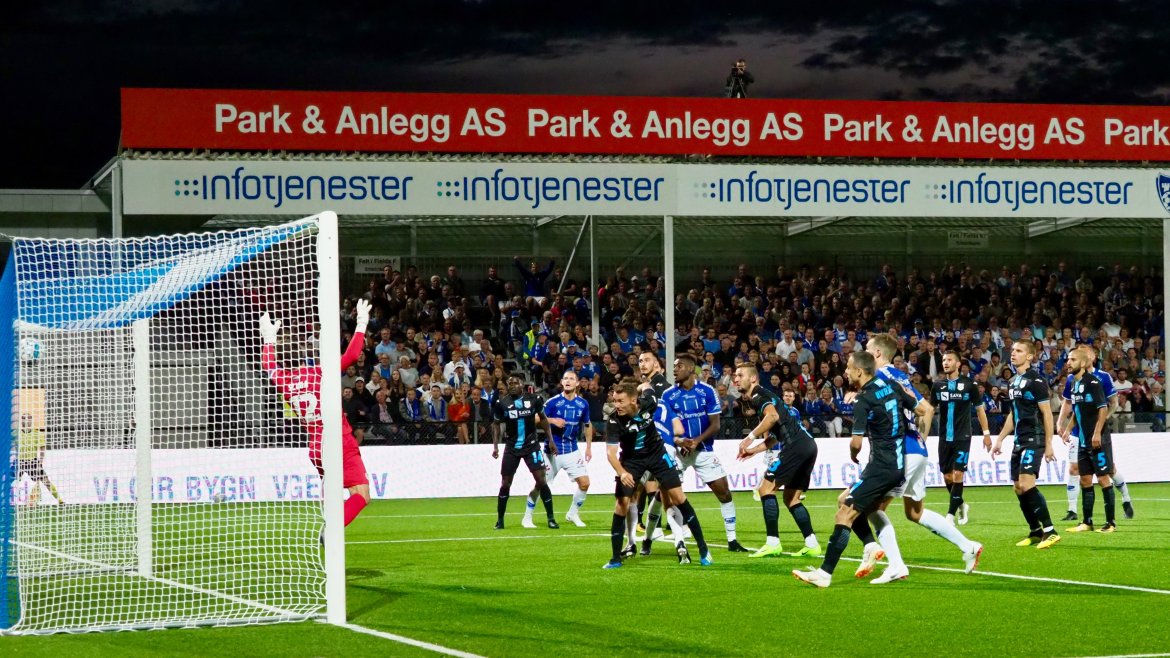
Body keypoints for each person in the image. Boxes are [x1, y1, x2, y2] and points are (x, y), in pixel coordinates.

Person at [792, 351, 925, 588]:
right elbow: (921, 410)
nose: (845, 372)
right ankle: (871, 545)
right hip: (896, 464)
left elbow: (856, 443)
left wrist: (853, 455)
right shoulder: (893, 386)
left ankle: (824, 574)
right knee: (844, 500)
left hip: (880, 467)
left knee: (844, 514)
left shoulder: (864, 399)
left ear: (860, 372)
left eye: (849, 368)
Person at [863, 334, 981, 582]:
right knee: (915, 513)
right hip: (917, 449)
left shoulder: (880, 376)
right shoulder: (900, 375)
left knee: (872, 506)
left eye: (867, 349)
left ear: (877, 353)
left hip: (901, 451)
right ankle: (968, 545)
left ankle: (896, 565)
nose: (864, 353)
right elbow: (926, 409)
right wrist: (921, 440)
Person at [259, 299, 371, 528]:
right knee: (361, 493)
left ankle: (330, 533)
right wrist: (361, 323)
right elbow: (351, 356)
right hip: (339, 441)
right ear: (302, 355)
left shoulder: (283, 381)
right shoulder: (319, 373)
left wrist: (268, 339)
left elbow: (268, 365)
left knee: (332, 493)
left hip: (316, 447)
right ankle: (330, 532)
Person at [602, 381, 711, 569]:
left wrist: (642, 384)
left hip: (657, 455)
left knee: (679, 498)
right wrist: (622, 472)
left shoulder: (650, 402)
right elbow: (610, 453)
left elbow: (648, 386)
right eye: (615, 401)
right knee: (621, 503)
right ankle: (615, 558)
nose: (616, 405)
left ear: (634, 400)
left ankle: (703, 550)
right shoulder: (613, 421)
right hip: (631, 461)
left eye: (620, 401)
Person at [660, 353, 747, 553]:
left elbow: (716, 424)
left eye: (679, 366)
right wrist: (679, 441)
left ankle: (732, 540)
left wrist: (696, 442)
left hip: (703, 450)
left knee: (724, 493)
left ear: (691, 369)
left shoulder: (707, 391)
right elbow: (664, 427)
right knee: (669, 495)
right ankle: (676, 538)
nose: (674, 370)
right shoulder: (668, 395)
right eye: (674, 366)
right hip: (678, 452)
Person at [734, 366, 821, 558]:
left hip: (795, 446)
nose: (736, 379)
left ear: (753, 378)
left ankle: (772, 543)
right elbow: (774, 436)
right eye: (735, 376)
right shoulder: (766, 396)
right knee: (791, 498)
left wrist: (749, 438)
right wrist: (753, 451)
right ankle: (812, 544)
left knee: (765, 489)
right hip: (808, 445)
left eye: (740, 375)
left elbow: (772, 417)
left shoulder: (758, 395)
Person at [992, 341, 1061, 549]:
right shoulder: (1013, 382)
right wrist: (1000, 438)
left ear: (1030, 356)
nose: (1013, 354)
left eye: (1019, 351)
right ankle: (1035, 531)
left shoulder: (1036, 381)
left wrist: (1049, 443)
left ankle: (1051, 531)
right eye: (1013, 350)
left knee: (1027, 484)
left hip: (1035, 438)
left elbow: (1047, 414)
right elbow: (1013, 413)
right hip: (1019, 440)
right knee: (1018, 488)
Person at [1056, 343, 1135, 521]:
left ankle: (1125, 498)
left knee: (1108, 470)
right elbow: (1070, 403)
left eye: (1079, 354)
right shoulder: (1072, 379)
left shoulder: (1102, 377)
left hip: (1097, 431)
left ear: (1090, 357)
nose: (1073, 360)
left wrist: (1100, 422)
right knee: (1074, 468)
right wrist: (1063, 424)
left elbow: (1112, 403)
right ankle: (1072, 510)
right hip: (1079, 431)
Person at [522, 371, 593, 528]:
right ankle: (527, 517)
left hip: (572, 450)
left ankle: (572, 514)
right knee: (540, 484)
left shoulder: (583, 404)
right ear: (561, 382)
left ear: (577, 383)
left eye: (571, 379)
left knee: (585, 483)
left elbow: (587, 424)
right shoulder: (553, 402)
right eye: (565, 378)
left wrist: (589, 447)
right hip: (552, 452)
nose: (568, 381)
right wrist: (553, 420)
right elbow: (534, 418)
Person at [931, 350, 993, 525]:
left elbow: (980, 410)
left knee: (958, 474)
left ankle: (950, 516)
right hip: (944, 437)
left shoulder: (969, 385)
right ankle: (961, 505)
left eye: (950, 360)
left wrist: (986, 434)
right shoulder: (938, 386)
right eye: (944, 360)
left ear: (958, 364)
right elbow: (929, 411)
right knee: (947, 477)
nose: (945, 362)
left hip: (963, 436)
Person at [1062, 346, 1118, 534]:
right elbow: (1077, 410)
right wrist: (1068, 429)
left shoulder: (1093, 382)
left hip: (1098, 440)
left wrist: (1097, 433)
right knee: (1085, 479)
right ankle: (1087, 522)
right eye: (1068, 360)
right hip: (1083, 440)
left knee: (1103, 478)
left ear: (1084, 362)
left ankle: (1110, 523)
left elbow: (1103, 408)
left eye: (1073, 360)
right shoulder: (1073, 383)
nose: (1069, 363)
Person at [491, 376, 558, 530]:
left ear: (522, 385)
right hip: (511, 448)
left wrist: (551, 440)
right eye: (509, 383)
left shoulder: (534, 399)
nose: (512, 386)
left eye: (515, 383)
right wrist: (495, 446)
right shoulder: (502, 403)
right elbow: (495, 424)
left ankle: (551, 518)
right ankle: (500, 520)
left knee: (541, 481)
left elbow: (543, 419)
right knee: (505, 483)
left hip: (531, 446)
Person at [15, 413, 64, 505]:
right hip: (19, 461)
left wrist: (40, 461)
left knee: (46, 481)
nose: (26, 421)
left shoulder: (37, 433)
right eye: (24, 419)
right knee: (10, 480)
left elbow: (42, 448)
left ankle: (60, 500)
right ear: (21, 421)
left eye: (28, 419)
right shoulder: (16, 433)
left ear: (31, 421)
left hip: (32, 461)